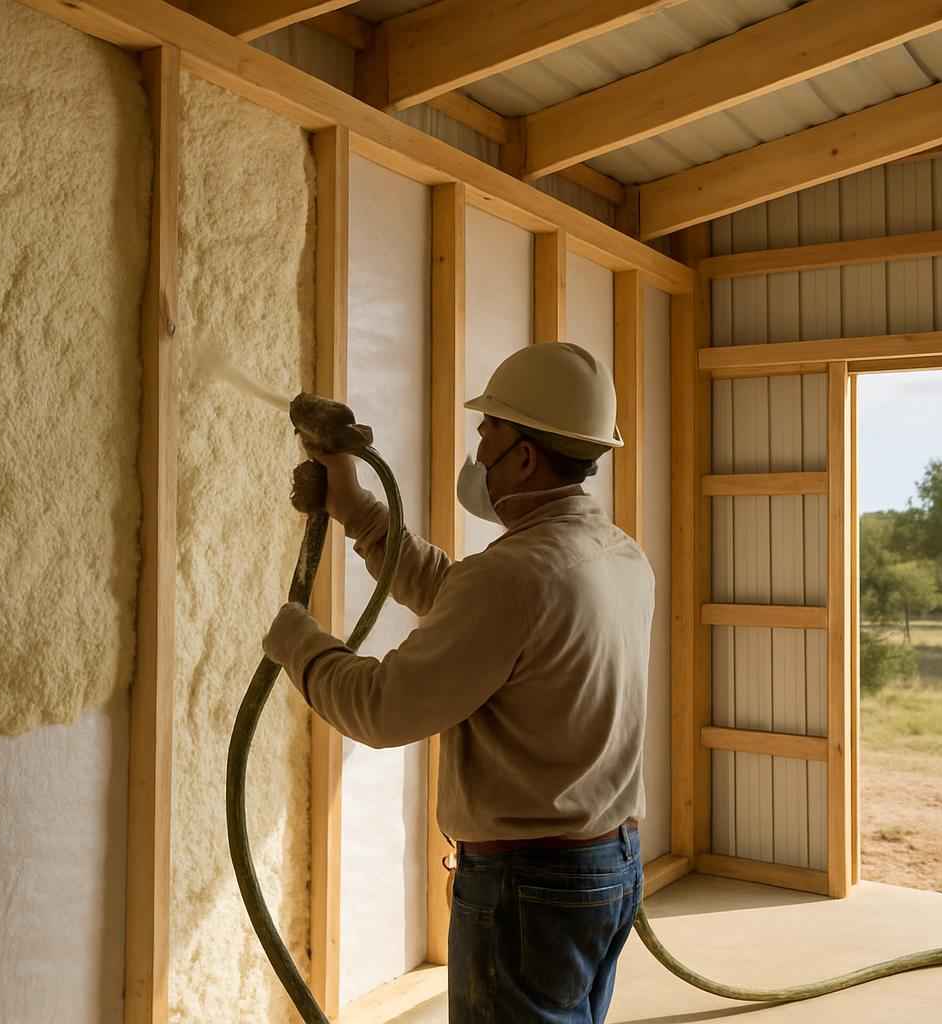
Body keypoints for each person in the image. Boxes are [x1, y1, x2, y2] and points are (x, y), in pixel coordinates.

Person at [263, 341, 654, 1024]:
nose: (477, 452)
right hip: (604, 869)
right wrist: (358, 510)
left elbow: (381, 711)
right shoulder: (616, 555)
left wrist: (299, 642)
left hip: (528, 889)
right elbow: (467, 603)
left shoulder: (517, 575)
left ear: (525, 456)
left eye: (487, 435)